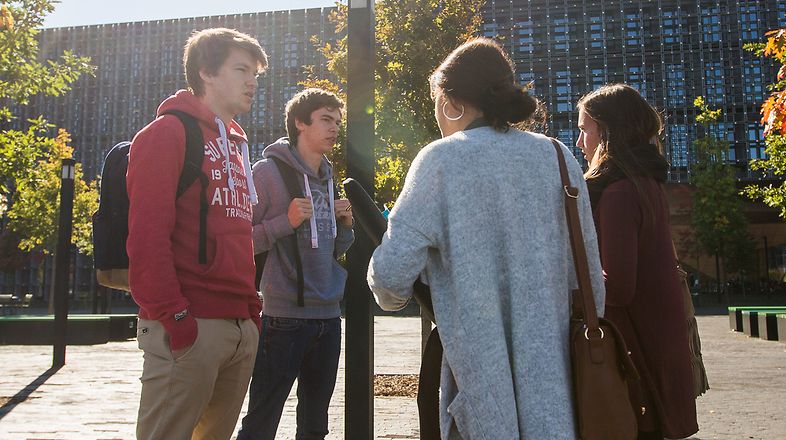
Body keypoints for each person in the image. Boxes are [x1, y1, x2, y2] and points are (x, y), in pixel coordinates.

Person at [366, 38, 605, 439]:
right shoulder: (558, 156)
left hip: (478, 392)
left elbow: (390, 277)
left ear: (451, 102)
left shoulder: (440, 160)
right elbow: (590, 279)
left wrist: (394, 294)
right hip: (559, 389)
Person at [126, 28, 266, 440]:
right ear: (206, 71)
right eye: (241, 70)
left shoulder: (237, 144)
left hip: (238, 326)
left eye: (255, 73)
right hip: (190, 326)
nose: (252, 82)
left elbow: (239, 234)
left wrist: (251, 315)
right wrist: (177, 318)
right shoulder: (167, 133)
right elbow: (147, 237)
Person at [576, 84, 699, 439]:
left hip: (635, 356)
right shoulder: (645, 184)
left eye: (585, 130)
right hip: (656, 348)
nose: (579, 142)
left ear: (608, 133)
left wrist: (566, 291)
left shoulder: (620, 193)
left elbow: (618, 288)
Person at [237, 88, 353, 439]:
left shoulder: (328, 177)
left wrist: (346, 227)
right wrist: (283, 223)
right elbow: (238, 241)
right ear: (300, 123)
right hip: (283, 319)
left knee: (316, 426)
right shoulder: (267, 173)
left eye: (337, 122)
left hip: (328, 318)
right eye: (326, 120)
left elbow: (332, 249)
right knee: (261, 423)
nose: (334, 129)